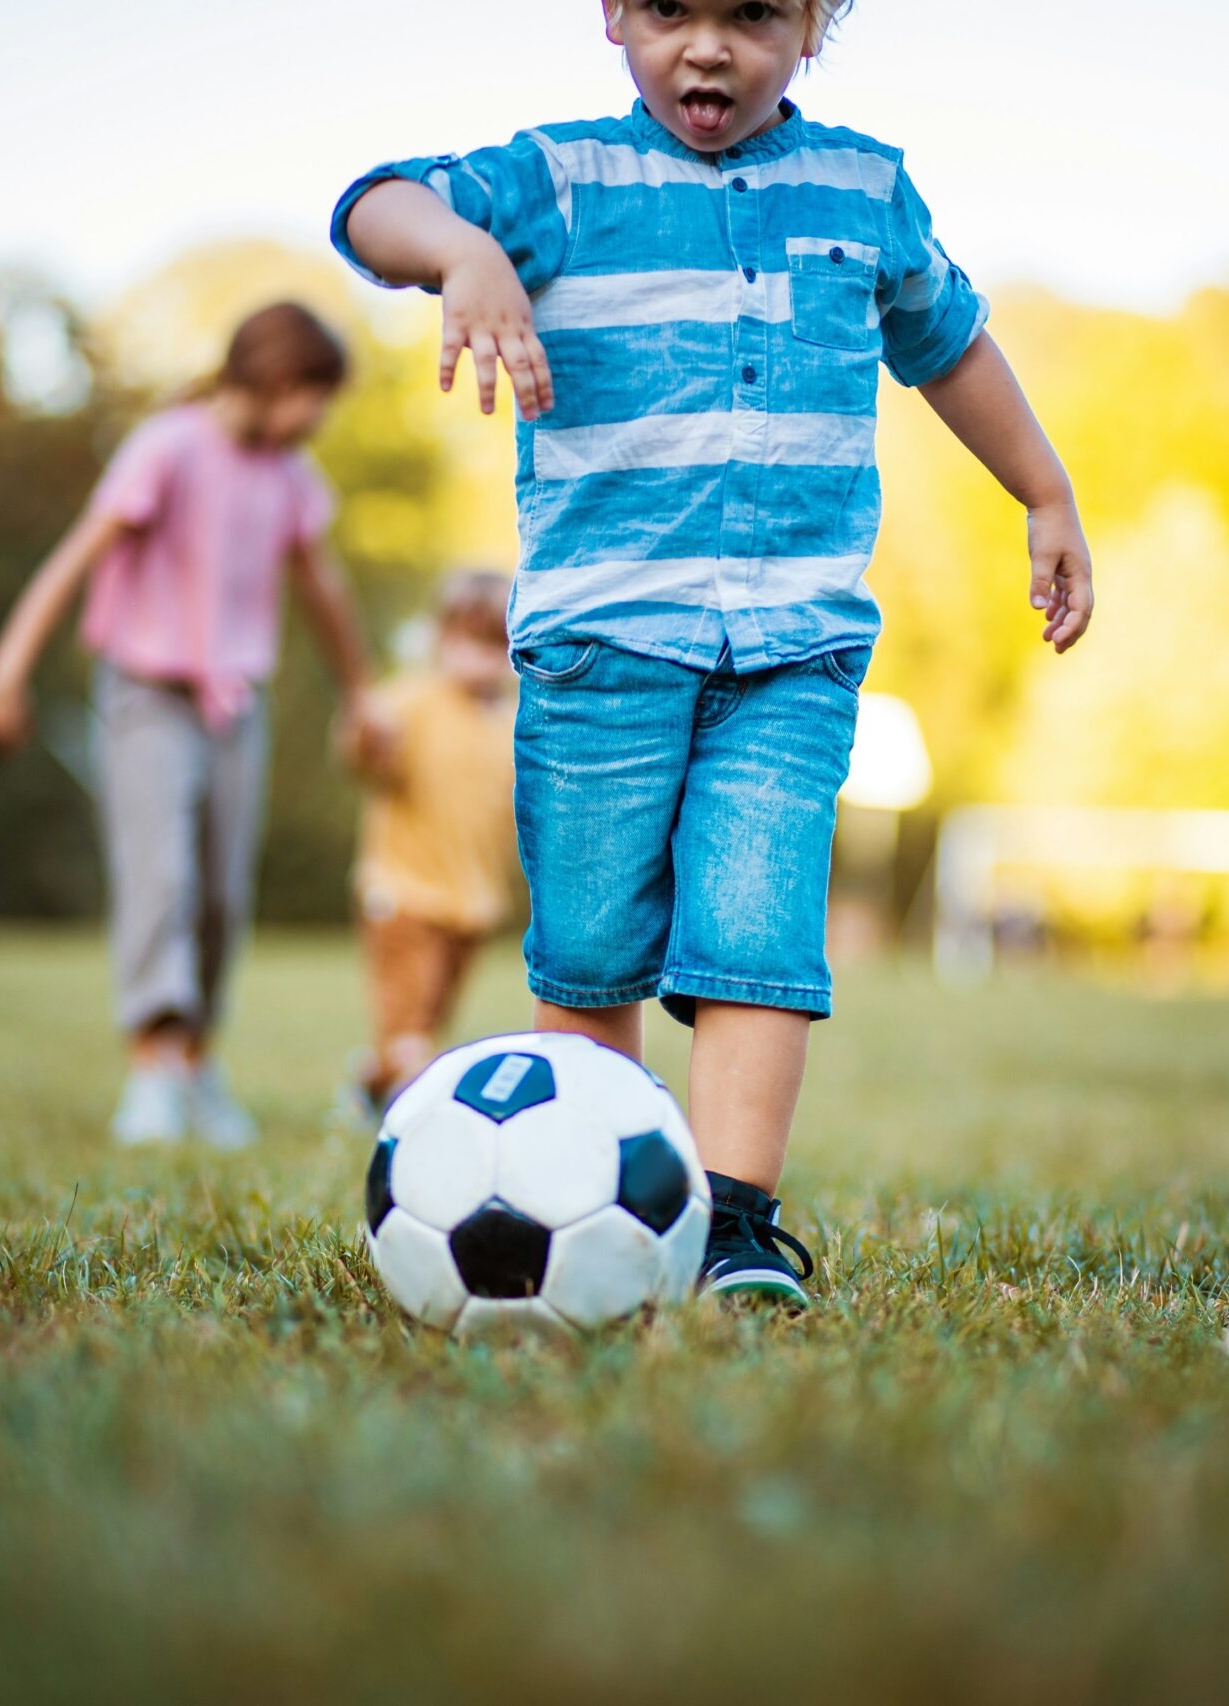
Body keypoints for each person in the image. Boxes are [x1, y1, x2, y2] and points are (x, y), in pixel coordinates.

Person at [331, 0, 1095, 1303]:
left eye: (751, 15)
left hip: (791, 655)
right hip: (599, 654)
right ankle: (591, 1209)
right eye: (674, 9)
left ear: (811, 27)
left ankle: (734, 1224)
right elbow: (371, 207)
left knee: (759, 937)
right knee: (592, 951)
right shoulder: (560, 178)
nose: (709, 47)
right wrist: (463, 251)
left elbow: (951, 343)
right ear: (618, 15)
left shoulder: (863, 187)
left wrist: (1047, 493)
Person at [0, 302, 378, 1148]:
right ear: (274, 377)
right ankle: (152, 1071)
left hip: (236, 701)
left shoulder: (288, 475)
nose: (319, 419)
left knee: (224, 894)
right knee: (164, 876)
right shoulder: (168, 447)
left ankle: (195, 1066)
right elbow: (75, 559)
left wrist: (360, 695)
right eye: (315, 396)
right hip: (148, 695)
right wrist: (8, 667)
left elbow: (324, 590)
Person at [342, 570, 518, 1118]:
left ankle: (368, 1085)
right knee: (413, 1034)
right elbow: (362, 748)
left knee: (422, 1026)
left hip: (470, 901)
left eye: (494, 645)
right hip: (403, 893)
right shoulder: (414, 700)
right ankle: (412, 1121)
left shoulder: (511, 717)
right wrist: (367, 737)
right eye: (466, 641)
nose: (478, 659)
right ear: (441, 638)